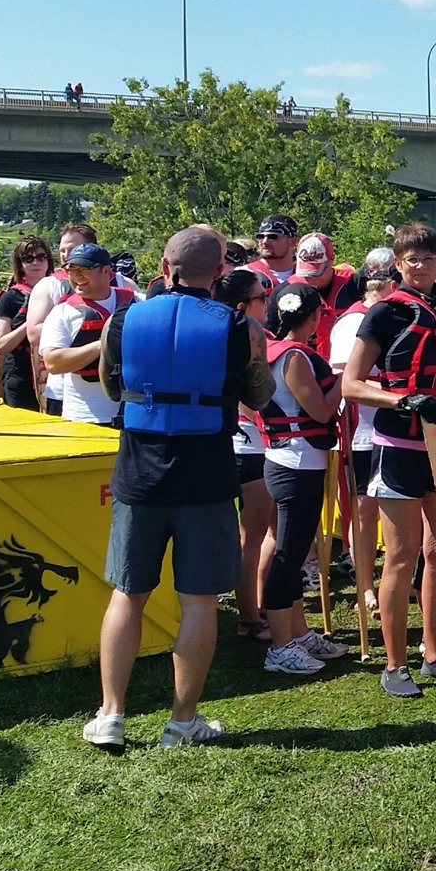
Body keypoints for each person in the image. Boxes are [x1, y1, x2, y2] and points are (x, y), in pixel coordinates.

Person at [82, 227, 272, 752]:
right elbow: (259, 393)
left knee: (128, 593)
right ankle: (182, 720)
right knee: (200, 601)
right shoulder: (238, 326)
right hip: (207, 474)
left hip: (139, 475)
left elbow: (112, 385)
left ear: (164, 264)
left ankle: (111, 714)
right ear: (218, 272)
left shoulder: (122, 319)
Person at [340, 222, 436, 699]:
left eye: (429, 258)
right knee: (400, 556)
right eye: (412, 259)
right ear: (397, 264)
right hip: (399, 446)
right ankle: (394, 664)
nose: (421, 267)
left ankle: (435, 654)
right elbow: (352, 385)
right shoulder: (384, 313)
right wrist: (403, 400)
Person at [257, 281, 351, 675]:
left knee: (292, 548)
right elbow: (320, 411)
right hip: (294, 463)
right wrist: (347, 380)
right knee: (288, 554)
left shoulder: (271, 350)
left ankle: (297, 632)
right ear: (314, 317)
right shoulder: (293, 356)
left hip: (292, 458)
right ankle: (280, 646)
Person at [330, 246, 396, 598]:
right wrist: (395, 390)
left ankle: (391, 579)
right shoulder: (352, 322)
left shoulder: (398, 314)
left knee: (395, 510)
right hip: (362, 432)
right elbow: (344, 377)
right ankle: (365, 584)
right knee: (364, 511)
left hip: (395, 431)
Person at [215, 268, 277, 641]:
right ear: (243, 305)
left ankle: (260, 606)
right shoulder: (246, 336)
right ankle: (249, 617)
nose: (267, 302)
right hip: (250, 444)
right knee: (252, 535)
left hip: (242, 443)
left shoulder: (222, 333)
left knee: (261, 532)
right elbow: (254, 398)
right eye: (261, 297)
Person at [42, 243, 137, 427]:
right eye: (71, 269)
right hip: (84, 416)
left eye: (84, 268)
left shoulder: (137, 303)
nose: (77, 276)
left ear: (106, 271)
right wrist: (104, 344)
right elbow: (52, 362)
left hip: (133, 413)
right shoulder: (62, 312)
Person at [0, 235, 53, 410]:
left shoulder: (61, 293)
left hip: (53, 375)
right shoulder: (10, 298)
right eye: (28, 258)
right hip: (20, 375)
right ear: (20, 265)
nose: (36, 262)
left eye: (41, 257)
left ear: (48, 261)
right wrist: (31, 324)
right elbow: (1, 344)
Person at [293, 231, 361, 359]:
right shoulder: (288, 289)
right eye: (306, 272)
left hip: (345, 361)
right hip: (306, 362)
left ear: (331, 260)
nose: (310, 277)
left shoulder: (354, 285)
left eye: (315, 272)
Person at [251, 214, 299, 285]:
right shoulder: (246, 274)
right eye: (260, 237)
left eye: (272, 236)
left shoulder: (307, 276)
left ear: (293, 241)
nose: (264, 242)